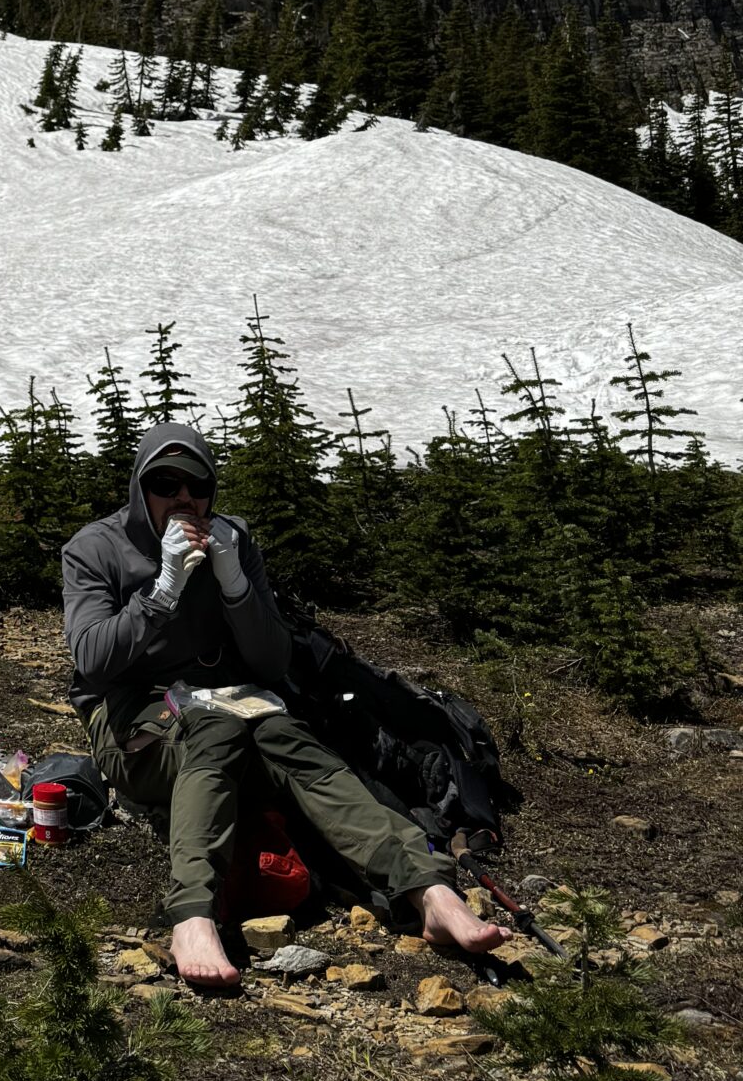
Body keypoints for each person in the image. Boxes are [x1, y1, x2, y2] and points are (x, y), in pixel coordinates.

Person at [63, 419, 504, 992]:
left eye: (197, 485)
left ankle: (429, 889)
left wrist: (237, 588)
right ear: (139, 488)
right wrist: (163, 590)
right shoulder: (95, 549)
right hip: (134, 723)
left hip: (231, 702)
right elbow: (92, 661)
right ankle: (192, 917)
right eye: (165, 484)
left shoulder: (233, 539)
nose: (183, 498)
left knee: (291, 739)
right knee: (216, 729)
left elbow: (271, 660)